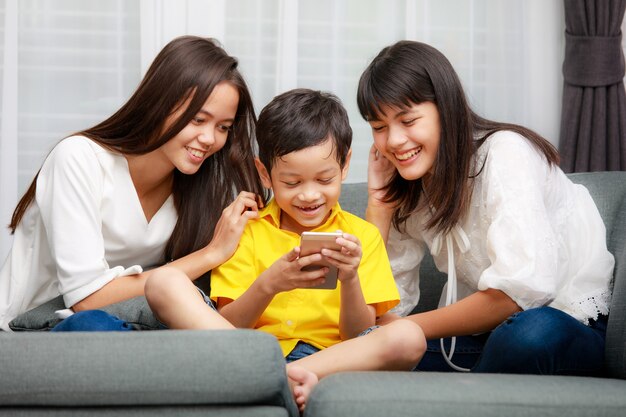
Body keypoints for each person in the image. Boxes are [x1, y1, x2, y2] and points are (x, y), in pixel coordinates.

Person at [145, 88, 425, 410]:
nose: (309, 195)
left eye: (324, 180)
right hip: (252, 353)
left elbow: (358, 335)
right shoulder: (248, 231)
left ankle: (283, 377)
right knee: (162, 281)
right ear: (265, 173)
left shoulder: (362, 237)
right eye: (292, 183)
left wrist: (349, 279)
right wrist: (270, 284)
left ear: (345, 166)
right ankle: (270, 374)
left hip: (331, 362)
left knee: (408, 335)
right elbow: (231, 326)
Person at [357, 40, 615, 375]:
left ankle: (465, 395)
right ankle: (473, 388)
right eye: (379, 128)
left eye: (407, 120)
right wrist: (379, 206)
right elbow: (380, 309)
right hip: (484, 341)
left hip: (565, 325)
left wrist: (406, 330)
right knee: (369, 354)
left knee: (531, 333)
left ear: (445, 109)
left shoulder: (505, 153)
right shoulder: (411, 187)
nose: (392, 141)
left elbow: (517, 295)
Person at [0, 36, 267, 331]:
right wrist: (211, 254)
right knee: (93, 325)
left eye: (223, 127)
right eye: (197, 119)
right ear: (161, 104)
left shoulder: (195, 187)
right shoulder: (79, 158)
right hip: (39, 326)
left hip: (130, 323)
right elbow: (86, 300)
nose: (209, 139)